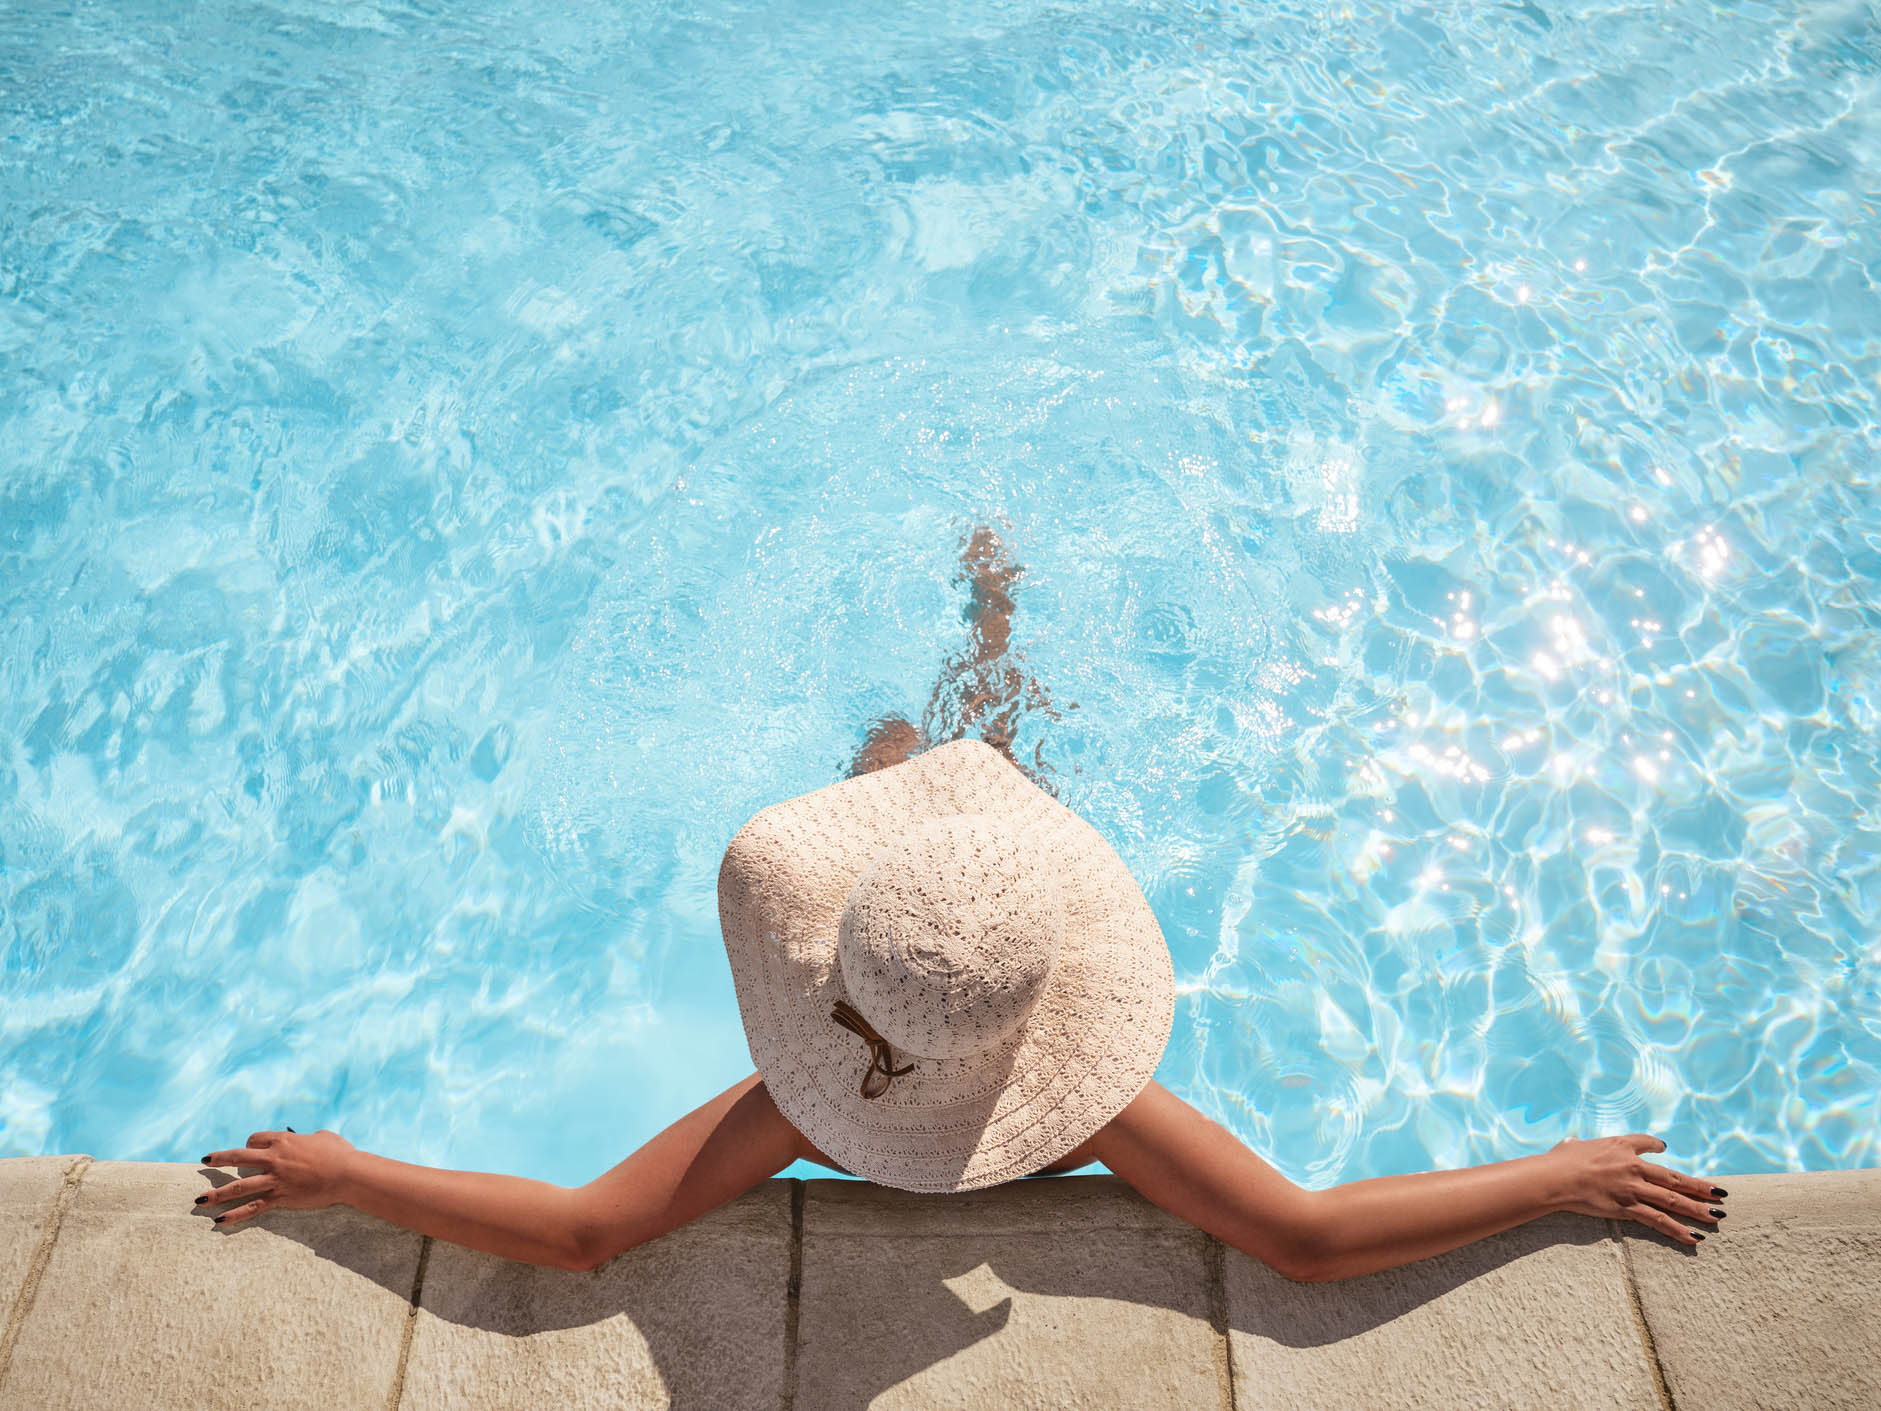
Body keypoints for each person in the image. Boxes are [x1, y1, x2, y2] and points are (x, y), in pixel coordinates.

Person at [197, 526, 1728, 1280]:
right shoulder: (1091, 1108)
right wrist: (1552, 1175)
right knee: (973, 765)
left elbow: (590, 1232)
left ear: (827, 993)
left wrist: (351, 1173)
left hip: (923, 928)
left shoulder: (802, 1110)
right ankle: (991, 624)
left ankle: (966, 656)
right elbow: (1305, 1240)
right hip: (968, 938)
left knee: (905, 765)